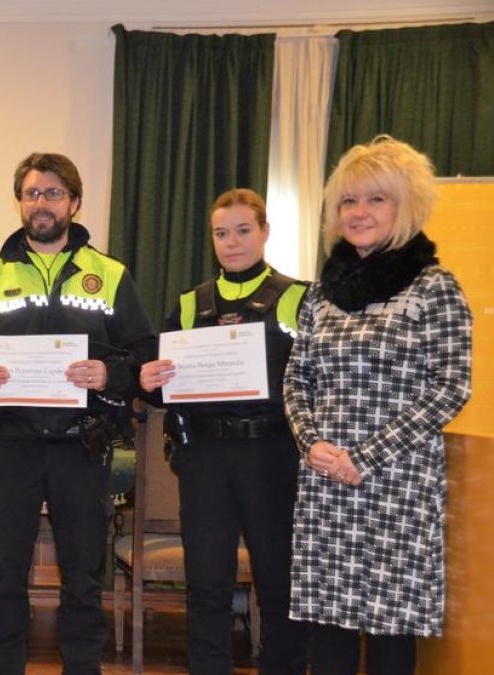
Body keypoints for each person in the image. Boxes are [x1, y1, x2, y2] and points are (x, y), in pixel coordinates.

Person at [0, 152, 155, 674]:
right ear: (20, 202)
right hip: (9, 445)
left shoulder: (108, 274)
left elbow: (146, 355)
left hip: (82, 444)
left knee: (83, 576)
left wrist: (110, 375)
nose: (41, 203)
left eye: (53, 193)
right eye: (33, 193)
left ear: (74, 202)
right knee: (6, 574)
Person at [283, 136, 472, 675]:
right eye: (348, 201)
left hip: (396, 484)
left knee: (390, 631)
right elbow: (298, 377)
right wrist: (311, 442)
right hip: (324, 478)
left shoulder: (434, 287)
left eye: (375, 199)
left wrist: (362, 456)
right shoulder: (323, 294)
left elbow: (451, 386)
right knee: (331, 626)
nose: (358, 212)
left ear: (404, 206)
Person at [138, 188, 309, 674]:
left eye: (242, 230)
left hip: (273, 454)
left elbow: (323, 377)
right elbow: (161, 387)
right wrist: (148, 382)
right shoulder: (191, 303)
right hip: (206, 456)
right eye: (220, 233)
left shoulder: (299, 297)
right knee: (207, 583)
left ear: (264, 232)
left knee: (279, 579)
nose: (231, 242)